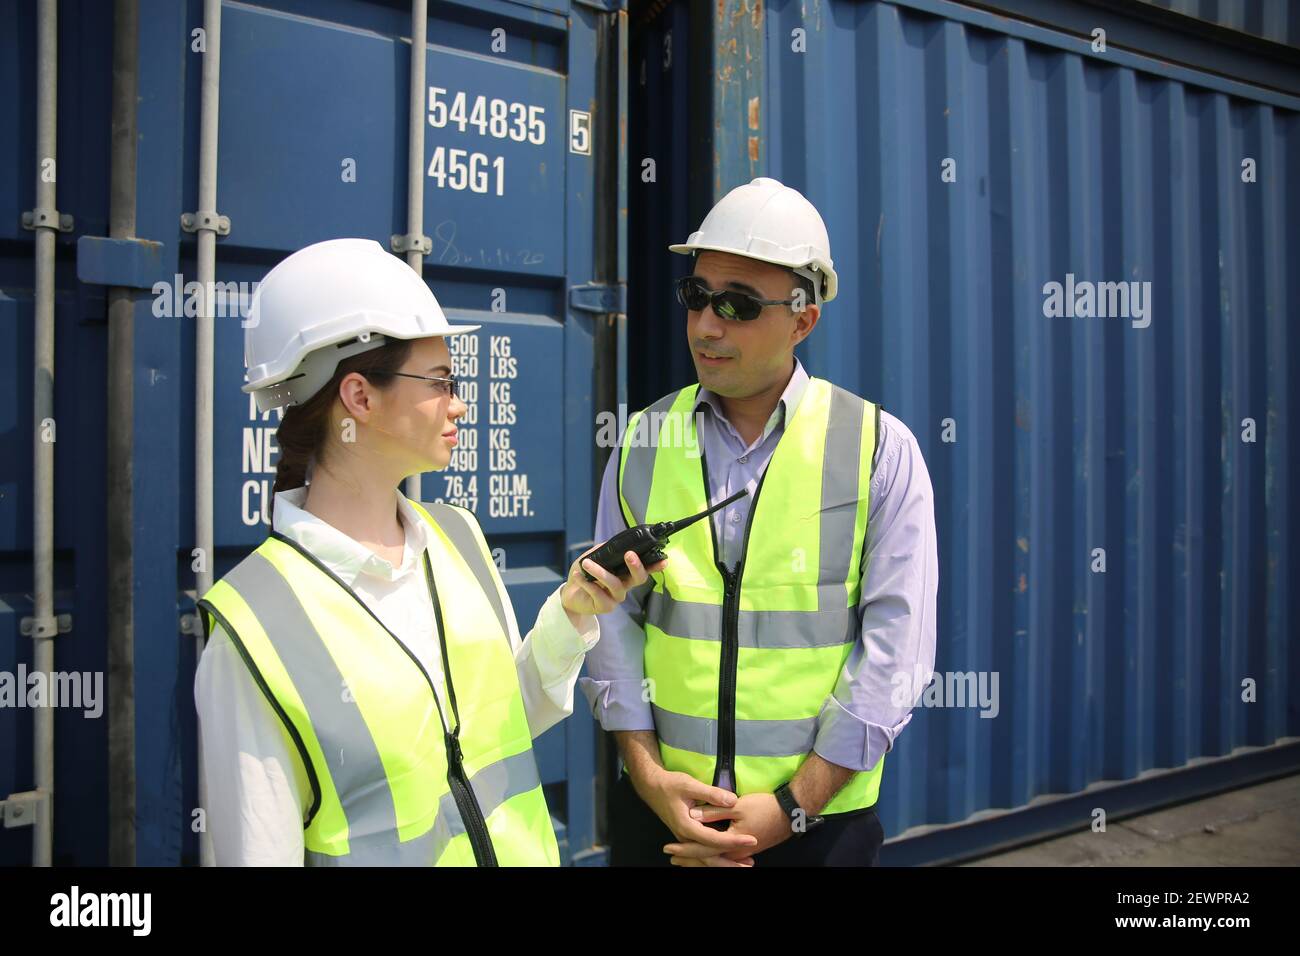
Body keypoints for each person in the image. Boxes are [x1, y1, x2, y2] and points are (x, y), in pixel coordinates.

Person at [195, 237, 659, 866]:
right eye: (441, 382)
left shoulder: (458, 538)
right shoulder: (253, 631)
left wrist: (572, 613)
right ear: (358, 398)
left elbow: (484, 735)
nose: (459, 403)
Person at [580, 178, 938, 866]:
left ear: (803, 320)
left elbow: (898, 656)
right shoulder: (646, 439)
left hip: (817, 831)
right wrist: (652, 780)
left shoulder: (876, 450)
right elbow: (610, 620)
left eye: (738, 306)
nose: (707, 325)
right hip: (660, 817)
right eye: (697, 296)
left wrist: (790, 809)